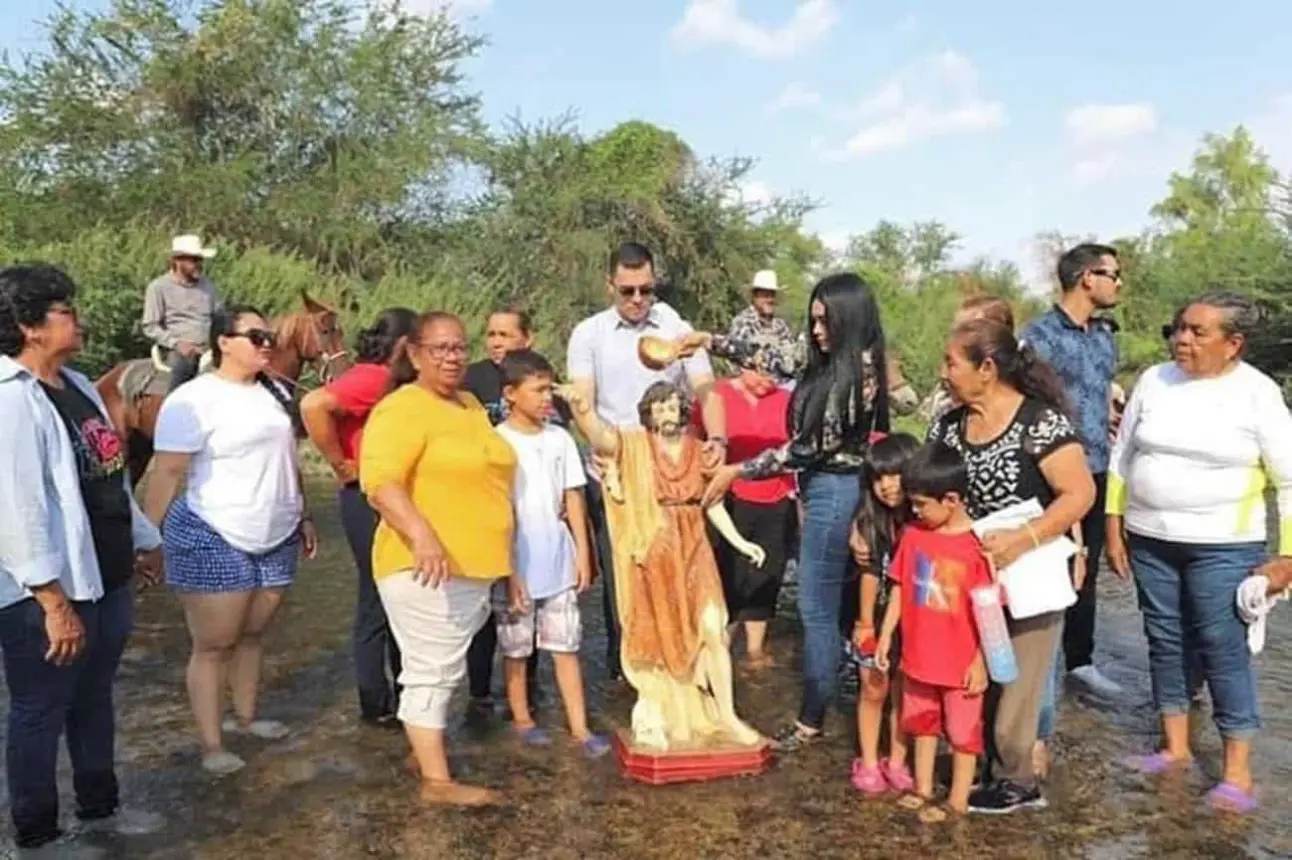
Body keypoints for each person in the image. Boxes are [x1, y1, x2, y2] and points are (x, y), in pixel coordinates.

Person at [679, 271, 892, 750]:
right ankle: (837, 696)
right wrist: (708, 341)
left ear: (849, 319)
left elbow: (806, 448)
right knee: (821, 606)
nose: (815, 331)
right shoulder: (826, 359)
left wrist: (737, 471)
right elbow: (773, 357)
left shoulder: (857, 376)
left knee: (816, 608)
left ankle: (811, 720)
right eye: (813, 320)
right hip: (821, 486)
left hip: (835, 490)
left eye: (825, 322)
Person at [0, 265, 164, 854]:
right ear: (29, 326)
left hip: (106, 576)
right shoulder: (10, 400)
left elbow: (108, 477)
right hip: (44, 593)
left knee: (96, 698)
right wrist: (50, 600)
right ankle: (37, 835)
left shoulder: (81, 386)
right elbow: (13, 508)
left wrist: (144, 538)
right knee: (41, 708)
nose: (79, 319)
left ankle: (100, 813)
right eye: (65, 310)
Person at [1107, 291, 1292, 812]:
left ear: (1234, 344)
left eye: (1197, 332)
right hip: (1149, 540)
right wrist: (1115, 525)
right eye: (1178, 329)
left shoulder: (1257, 394)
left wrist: (1288, 558)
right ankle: (1175, 749)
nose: (1181, 340)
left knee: (1221, 648)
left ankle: (1237, 774)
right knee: (1164, 640)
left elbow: (1289, 478)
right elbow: (1123, 456)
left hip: (1224, 547)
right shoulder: (1153, 380)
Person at [928, 319, 1095, 814]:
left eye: (951, 363)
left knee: (1018, 679)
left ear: (987, 369)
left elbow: (1080, 493)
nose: (943, 373)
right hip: (970, 573)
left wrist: (1024, 540)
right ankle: (977, 764)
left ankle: (1017, 780)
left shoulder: (1039, 423)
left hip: (1029, 572)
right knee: (975, 672)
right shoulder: (949, 425)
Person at [144, 306, 318, 776]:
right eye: (256, 336)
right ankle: (211, 742)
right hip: (214, 530)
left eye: (269, 337)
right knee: (215, 642)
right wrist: (145, 539)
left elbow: (287, 460)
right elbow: (168, 471)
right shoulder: (194, 399)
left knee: (253, 634)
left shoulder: (275, 391)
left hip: (277, 530)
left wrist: (301, 512)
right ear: (224, 341)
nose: (266, 344)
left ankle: (246, 717)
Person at [359, 311, 517, 807]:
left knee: (447, 668)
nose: (452, 357)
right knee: (430, 666)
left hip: (473, 563)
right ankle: (437, 783)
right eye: (439, 349)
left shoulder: (469, 404)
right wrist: (422, 534)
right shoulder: (402, 408)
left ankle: (422, 751)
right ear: (413, 354)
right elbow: (379, 482)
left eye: (457, 347)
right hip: (422, 563)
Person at [566, 241, 727, 683]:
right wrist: (605, 452)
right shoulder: (589, 334)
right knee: (626, 571)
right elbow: (585, 402)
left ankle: (687, 668)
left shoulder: (676, 326)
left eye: (646, 289)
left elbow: (707, 389)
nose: (637, 300)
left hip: (673, 459)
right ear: (610, 287)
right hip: (617, 459)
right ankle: (634, 675)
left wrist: (717, 439)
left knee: (684, 562)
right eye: (628, 291)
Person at [300, 307, 419, 729]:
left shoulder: (390, 380)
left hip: (381, 498)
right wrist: (340, 462)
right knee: (377, 598)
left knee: (395, 596)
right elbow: (314, 403)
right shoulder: (374, 378)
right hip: (367, 498)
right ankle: (377, 702)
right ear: (404, 345)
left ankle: (400, 695)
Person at [493, 350, 610, 757]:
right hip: (516, 565)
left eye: (550, 389)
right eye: (538, 390)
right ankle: (523, 719)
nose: (547, 398)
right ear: (510, 393)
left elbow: (573, 498)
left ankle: (579, 728)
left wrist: (583, 553)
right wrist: (509, 571)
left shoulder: (560, 438)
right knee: (516, 649)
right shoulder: (497, 443)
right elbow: (498, 512)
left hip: (558, 561)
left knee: (566, 646)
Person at [1022, 243, 1123, 699]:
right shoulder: (1038, 336)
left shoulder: (1105, 336)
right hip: (1049, 472)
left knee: (1089, 566)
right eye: (1112, 275)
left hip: (1098, 467)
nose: (1118, 283)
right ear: (1087, 277)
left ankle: (1079, 661)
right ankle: (1034, 662)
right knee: (1043, 561)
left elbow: (1100, 395)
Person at [876, 443, 993, 822]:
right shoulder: (912, 536)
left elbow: (991, 611)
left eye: (922, 504)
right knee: (921, 722)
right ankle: (923, 787)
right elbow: (898, 587)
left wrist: (981, 661)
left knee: (963, 732)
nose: (915, 511)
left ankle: (958, 799)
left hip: (961, 662)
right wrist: (885, 635)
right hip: (918, 656)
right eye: (913, 504)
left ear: (952, 500)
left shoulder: (978, 547)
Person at [462, 306, 569, 712]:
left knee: (528, 600)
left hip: (531, 506)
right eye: (490, 334)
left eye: (505, 334)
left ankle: (526, 689)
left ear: (528, 339)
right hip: (484, 507)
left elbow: (558, 430)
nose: (495, 342)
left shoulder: (541, 379)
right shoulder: (471, 379)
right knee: (484, 608)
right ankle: (478, 692)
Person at [707, 367, 797, 669]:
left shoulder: (789, 399)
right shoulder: (716, 395)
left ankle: (755, 651)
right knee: (728, 575)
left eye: (772, 374)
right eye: (759, 372)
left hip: (776, 497)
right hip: (729, 498)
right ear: (742, 364)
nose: (766, 381)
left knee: (767, 573)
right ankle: (721, 648)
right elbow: (698, 439)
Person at [847, 432, 920, 796]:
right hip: (876, 620)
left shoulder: (923, 521)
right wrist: (864, 625)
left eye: (895, 475)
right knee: (873, 690)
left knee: (903, 695)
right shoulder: (870, 523)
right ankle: (869, 761)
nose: (887, 486)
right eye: (878, 478)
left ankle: (897, 759)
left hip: (914, 623)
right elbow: (869, 574)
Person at [140, 234, 223, 393]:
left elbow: (219, 317)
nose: (198, 265)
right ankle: (174, 408)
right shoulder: (159, 287)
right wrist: (177, 344)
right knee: (183, 368)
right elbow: (150, 326)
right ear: (177, 261)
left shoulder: (209, 287)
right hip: (178, 348)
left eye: (199, 260)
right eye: (192, 260)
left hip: (209, 347)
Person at [726, 269, 794, 357]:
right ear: (754, 297)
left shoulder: (780, 325)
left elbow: (791, 353)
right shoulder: (743, 322)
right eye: (765, 295)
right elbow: (737, 352)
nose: (770, 300)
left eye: (772, 295)